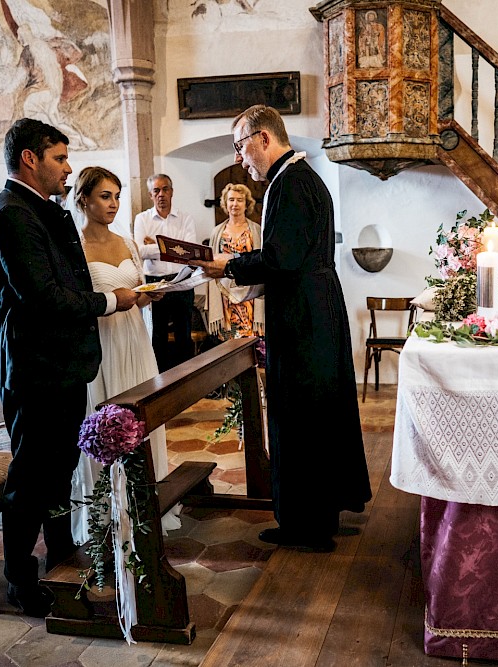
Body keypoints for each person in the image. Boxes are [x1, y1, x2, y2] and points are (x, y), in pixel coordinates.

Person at [0, 118, 137, 617]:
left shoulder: (39, 210)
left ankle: (62, 553)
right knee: (31, 473)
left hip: (58, 362)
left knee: (59, 466)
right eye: (60, 158)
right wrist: (110, 301)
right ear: (30, 158)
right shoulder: (10, 216)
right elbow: (44, 298)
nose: (68, 169)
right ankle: (21, 578)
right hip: (33, 364)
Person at [192, 104, 371, 552]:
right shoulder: (301, 177)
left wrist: (227, 264)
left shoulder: (289, 183)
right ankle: (315, 517)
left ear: (264, 138)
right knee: (315, 417)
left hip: (303, 320)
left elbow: (279, 260)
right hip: (315, 310)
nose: (240, 159)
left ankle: (304, 527)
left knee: (300, 417)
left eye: (241, 146)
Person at [68, 166, 181, 541]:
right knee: (109, 421)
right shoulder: (76, 248)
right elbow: (82, 304)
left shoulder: (126, 243)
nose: (114, 204)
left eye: (117, 196)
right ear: (83, 199)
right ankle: (108, 512)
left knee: (144, 421)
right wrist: (122, 300)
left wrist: (149, 295)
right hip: (103, 346)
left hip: (135, 342)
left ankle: (146, 503)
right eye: (105, 196)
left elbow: (136, 292)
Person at [133, 173, 198, 371]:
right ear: (150, 194)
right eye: (156, 190)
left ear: (172, 192)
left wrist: (155, 246)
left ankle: (186, 378)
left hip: (182, 280)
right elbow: (139, 251)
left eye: (165, 189)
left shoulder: (185, 218)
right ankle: (159, 380)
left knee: (183, 333)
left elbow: (189, 252)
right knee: (157, 334)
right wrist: (172, 248)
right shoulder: (142, 219)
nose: (161, 194)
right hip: (154, 282)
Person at [206, 183, 264, 340]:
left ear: (247, 204)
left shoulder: (256, 230)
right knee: (228, 341)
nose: (235, 204)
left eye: (240, 200)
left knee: (251, 340)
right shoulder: (217, 231)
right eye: (231, 199)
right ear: (225, 203)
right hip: (225, 293)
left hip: (250, 291)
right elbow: (211, 263)